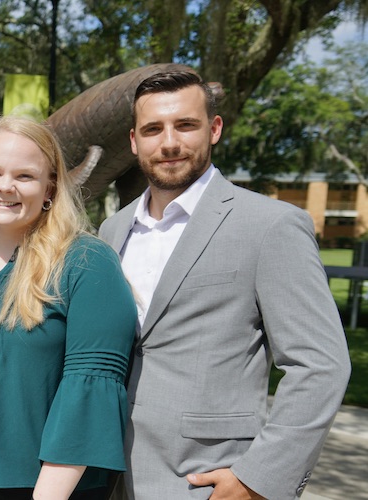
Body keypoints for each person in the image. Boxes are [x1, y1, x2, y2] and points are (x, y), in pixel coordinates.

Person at [98, 70, 352, 499]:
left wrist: (260, 479)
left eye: (186, 125)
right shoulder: (112, 229)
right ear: (134, 141)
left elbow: (321, 365)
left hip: (207, 481)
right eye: (153, 129)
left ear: (214, 129)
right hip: (110, 474)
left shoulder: (271, 225)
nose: (169, 142)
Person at [0, 115, 136, 500]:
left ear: (50, 186)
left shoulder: (86, 262)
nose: (5, 187)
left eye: (24, 176)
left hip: (46, 486)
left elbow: (89, 391)